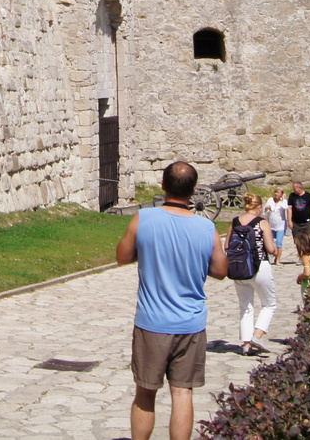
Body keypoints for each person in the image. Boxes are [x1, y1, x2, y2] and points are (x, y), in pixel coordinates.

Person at [116, 161, 227, 440]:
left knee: (145, 392)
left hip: (152, 321)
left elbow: (122, 256)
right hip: (190, 322)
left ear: (163, 186)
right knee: (182, 392)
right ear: (193, 191)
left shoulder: (144, 219)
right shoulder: (206, 228)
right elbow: (220, 271)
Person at [228, 193, 277, 356]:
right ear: (258, 207)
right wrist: (275, 250)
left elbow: (227, 246)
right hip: (259, 266)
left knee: (245, 306)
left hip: (239, 268)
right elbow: (270, 248)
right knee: (269, 303)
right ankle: (258, 335)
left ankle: (246, 344)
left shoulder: (235, 222)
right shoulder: (262, 223)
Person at [262, 188, 289, 265]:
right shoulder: (270, 200)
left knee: (279, 242)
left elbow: (285, 207)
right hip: (271, 225)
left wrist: (283, 199)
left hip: (280, 225)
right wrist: (267, 208)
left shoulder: (284, 201)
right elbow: (264, 210)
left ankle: (278, 260)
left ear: (281, 194)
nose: (276, 194)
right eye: (276, 192)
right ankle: (274, 255)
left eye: (278, 192)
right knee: (271, 242)